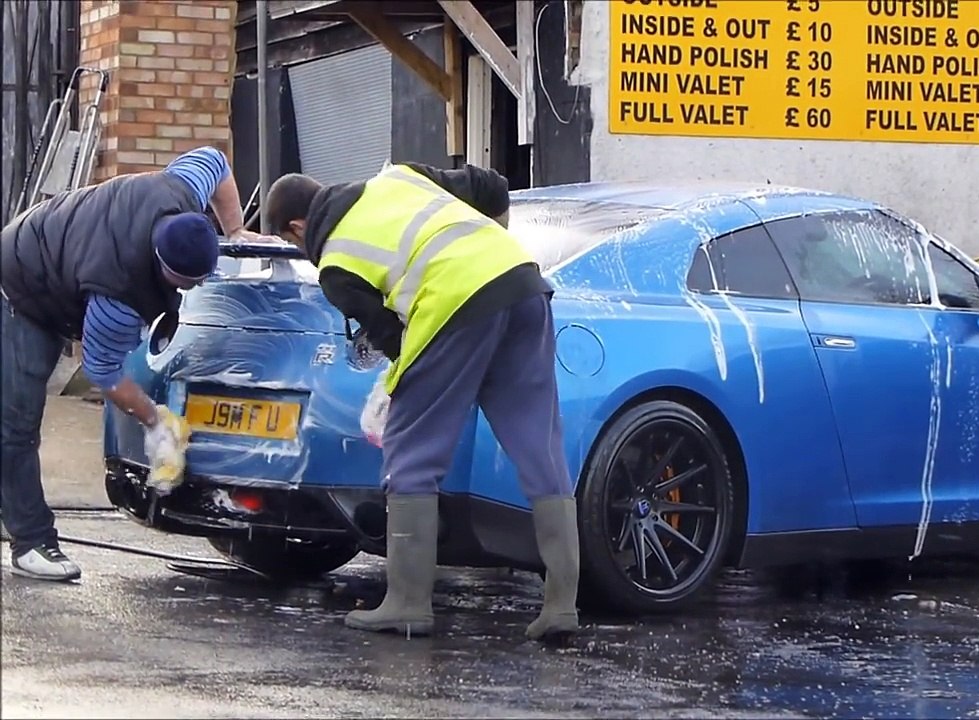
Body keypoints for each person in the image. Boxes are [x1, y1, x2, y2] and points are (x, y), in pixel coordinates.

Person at [263, 161, 580, 644]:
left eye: (292, 243)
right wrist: (487, 259)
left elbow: (394, 336)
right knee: (539, 443)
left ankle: (408, 603)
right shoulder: (398, 178)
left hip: (454, 304)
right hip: (520, 281)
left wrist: (393, 390)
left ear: (298, 228)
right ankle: (561, 605)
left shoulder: (335, 265)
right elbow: (493, 183)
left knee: (411, 452)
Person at [1, 146, 260, 581]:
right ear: (162, 268)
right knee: (15, 426)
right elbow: (103, 373)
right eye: (189, 282)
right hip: (21, 286)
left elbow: (215, 160)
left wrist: (236, 229)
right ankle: (32, 543)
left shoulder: (180, 192)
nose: (198, 286)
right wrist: (156, 420)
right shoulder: (116, 293)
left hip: (63, 243)